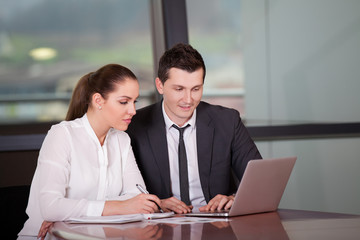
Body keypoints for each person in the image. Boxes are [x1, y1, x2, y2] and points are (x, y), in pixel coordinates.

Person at [18, 64, 162, 239]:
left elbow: (139, 198)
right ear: (98, 101)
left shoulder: (121, 140)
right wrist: (120, 206)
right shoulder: (62, 135)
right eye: (124, 102)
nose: (132, 110)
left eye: (134, 101)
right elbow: (51, 207)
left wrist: (69, 213)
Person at [126, 43, 262, 214]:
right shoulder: (135, 125)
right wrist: (157, 203)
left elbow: (259, 180)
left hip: (217, 224)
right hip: (160, 226)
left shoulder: (228, 121)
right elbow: (121, 192)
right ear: (160, 86)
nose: (188, 99)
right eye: (179, 89)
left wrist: (234, 199)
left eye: (196, 89)